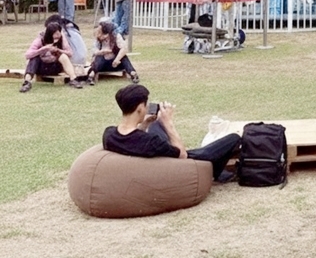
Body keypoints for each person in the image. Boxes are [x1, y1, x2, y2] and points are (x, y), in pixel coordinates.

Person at [103, 84, 241, 183]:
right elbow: (182, 155)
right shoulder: (151, 142)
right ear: (139, 108)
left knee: (156, 124)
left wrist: (145, 123)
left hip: (157, 153)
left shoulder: (109, 134)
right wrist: (168, 123)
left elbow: (133, 139)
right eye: (146, 105)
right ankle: (215, 172)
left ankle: (219, 171)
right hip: (177, 163)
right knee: (233, 138)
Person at [19, 21, 83, 92]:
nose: (57, 38)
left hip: (55, 67)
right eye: (55, 36)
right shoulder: (40, 40)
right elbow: (27, 55)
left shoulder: (62, 39)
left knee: (63, 56)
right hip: (41, 67)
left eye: (58, 34)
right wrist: (43, 49)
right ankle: (27, 82)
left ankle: (73, 79)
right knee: (34, 58)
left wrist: (58, 50)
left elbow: (70, 53)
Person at [87, 20, 140, 85]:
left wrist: (117, 59)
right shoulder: (98, 39)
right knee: (99, 57)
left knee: (124, 57)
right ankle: (91, 75)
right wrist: (101, 52)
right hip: (102, 65)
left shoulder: (116, 36)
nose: (98, 33)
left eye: (100, 32)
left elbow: (124, 49)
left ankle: (132, 73)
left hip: (116, 64)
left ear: (106, 34)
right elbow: (94, 50)